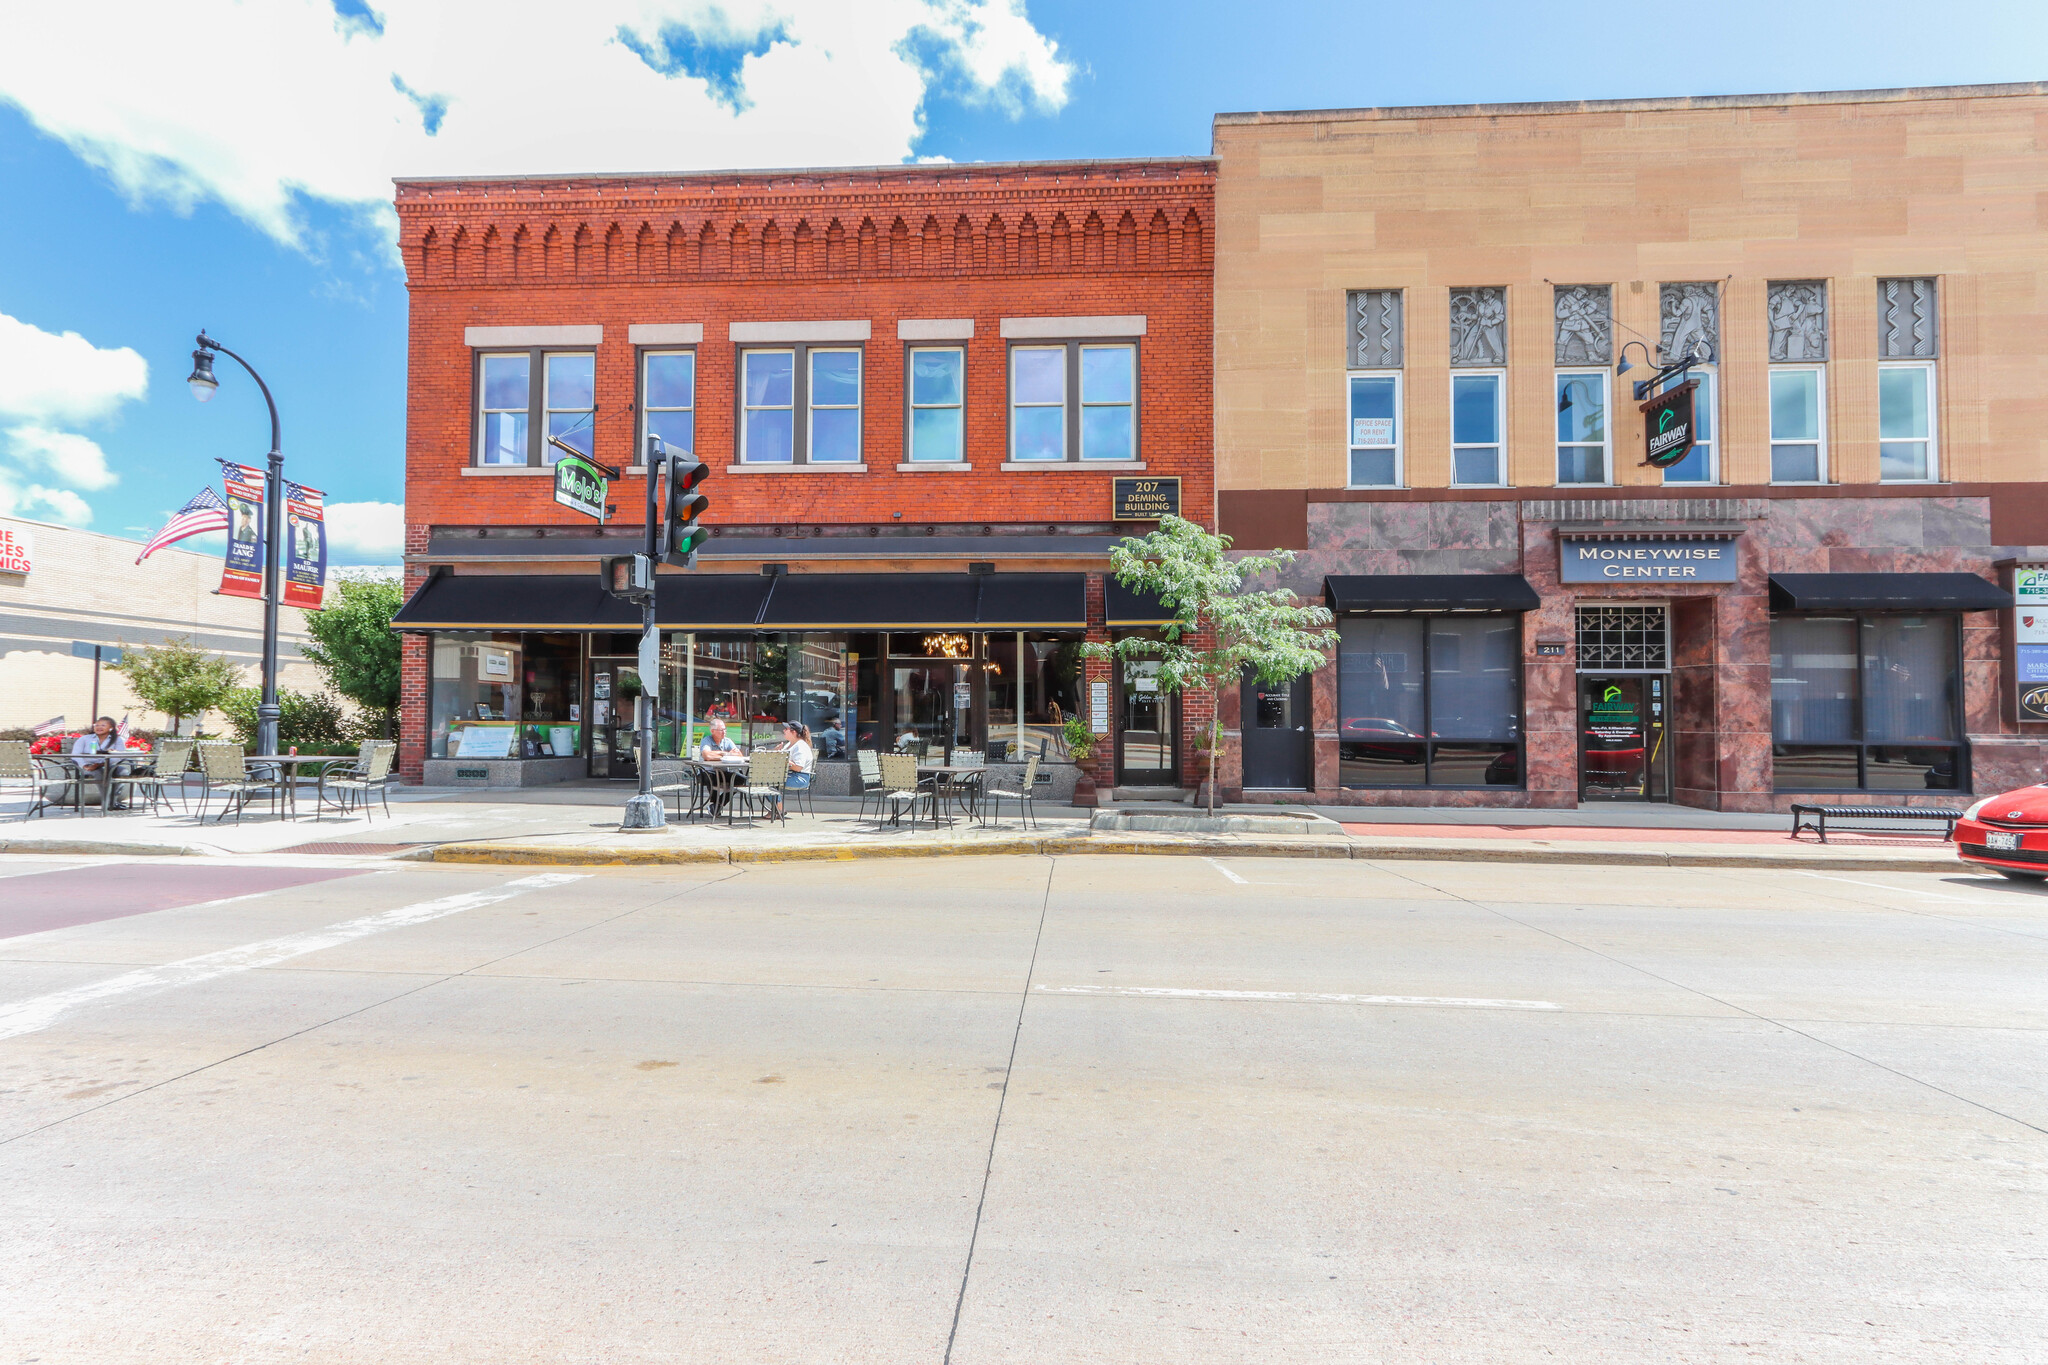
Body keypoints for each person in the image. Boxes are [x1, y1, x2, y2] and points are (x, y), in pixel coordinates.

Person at [70, 716, 124, 809]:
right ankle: (107, 803)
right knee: (100, 773)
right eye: (97, 725)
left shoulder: (117, 739)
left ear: (111, 728)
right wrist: (85, 766)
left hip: (108, 765)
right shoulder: (85, 739)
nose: (99, 727)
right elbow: (75, 754)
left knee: (123, 772)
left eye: (103, 725)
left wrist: (101, 764)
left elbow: (120, 755)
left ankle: (112, 801)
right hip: (88, 767)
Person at [769, 721, 813, 816]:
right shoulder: (789, 744)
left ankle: (779, 809)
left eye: (786, 729)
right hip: (788, 775)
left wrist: (783, 758)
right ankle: (777, 808)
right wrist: (777, 751)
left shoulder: (800, 746)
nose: (784, 730)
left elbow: (798, 767)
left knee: (766, 782)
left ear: (793, 732)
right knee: (763, 780)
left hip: (799, 778)